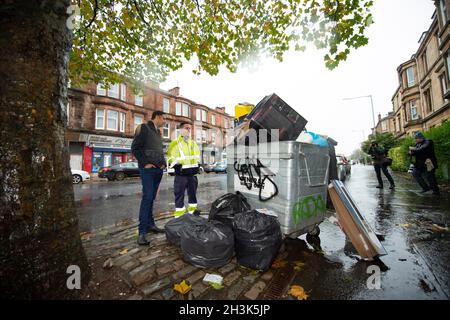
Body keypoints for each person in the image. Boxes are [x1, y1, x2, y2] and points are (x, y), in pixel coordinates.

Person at [131, 111, 166, 246]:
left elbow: (159, 150)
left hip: (158, 170)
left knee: (151, 198)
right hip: (148, 170)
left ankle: (151, 225)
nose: (164, 121)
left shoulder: (158, 133)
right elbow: (135, 148)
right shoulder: (144, 128)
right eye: (163, 118)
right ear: (157, 117)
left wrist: (163, 164)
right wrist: (145, 163)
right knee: (147, 197)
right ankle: (142, 232)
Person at [167, 122, 201, 217]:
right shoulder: (174, 143)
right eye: (186, 128)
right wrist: (177, 167)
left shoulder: (193, 143)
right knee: (179, 195)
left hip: (192, 175)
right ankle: (179, 216)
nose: (188, 130)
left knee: (193, 195)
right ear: (181, 130)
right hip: (181, 175)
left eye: (190, 128)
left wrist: (197, 166)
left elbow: (197, 157)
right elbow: (170, 158)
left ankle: (192, 213)